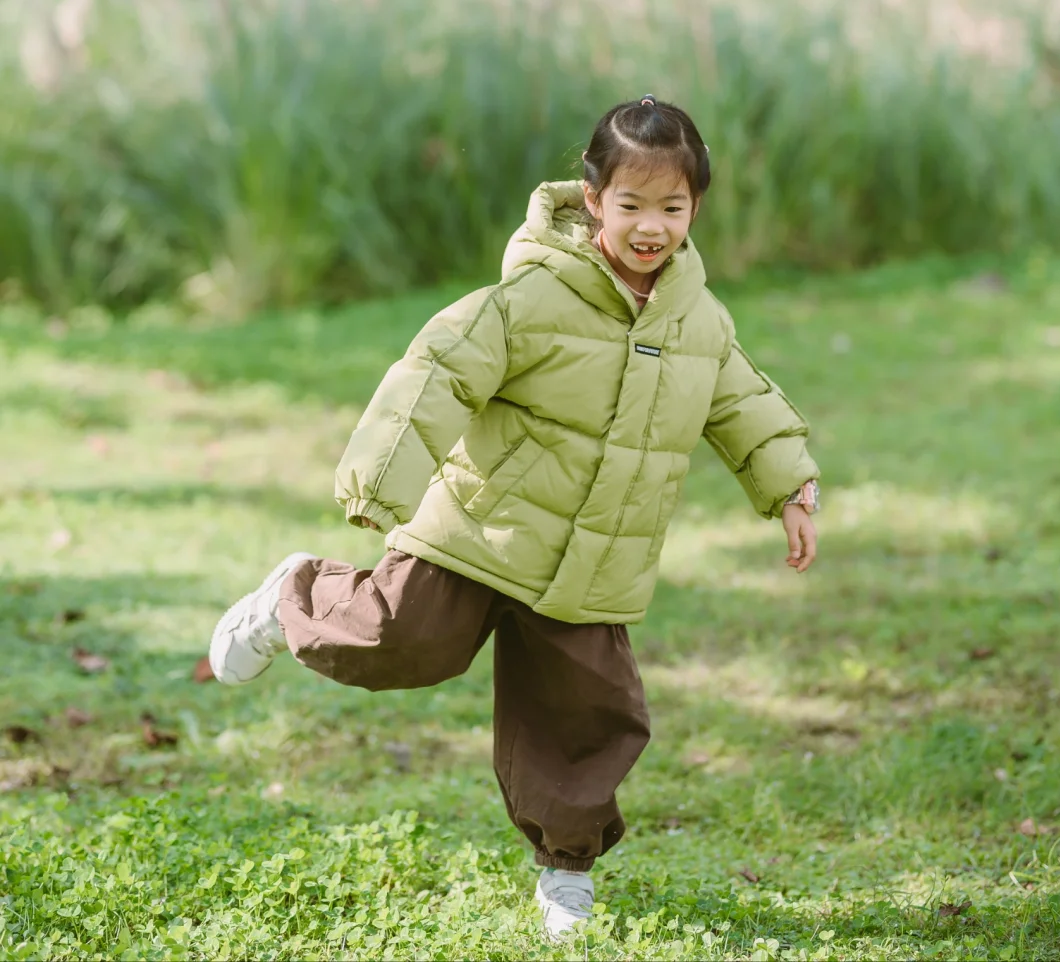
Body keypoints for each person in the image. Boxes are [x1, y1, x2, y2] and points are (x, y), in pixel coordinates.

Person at [208, 96, 819, 941]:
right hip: (481, 529)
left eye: (672, 208)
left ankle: (566, 874)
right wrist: (382, 478)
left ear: (695, 209)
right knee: (394, 641)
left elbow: (742, 402)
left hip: (594, 560)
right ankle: (294, 595)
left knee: (584, 717)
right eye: (632, 205)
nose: (651, 227)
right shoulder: (533, 296)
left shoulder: (699, 322)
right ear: (593, 196)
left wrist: (789, 486)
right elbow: (440, 370)